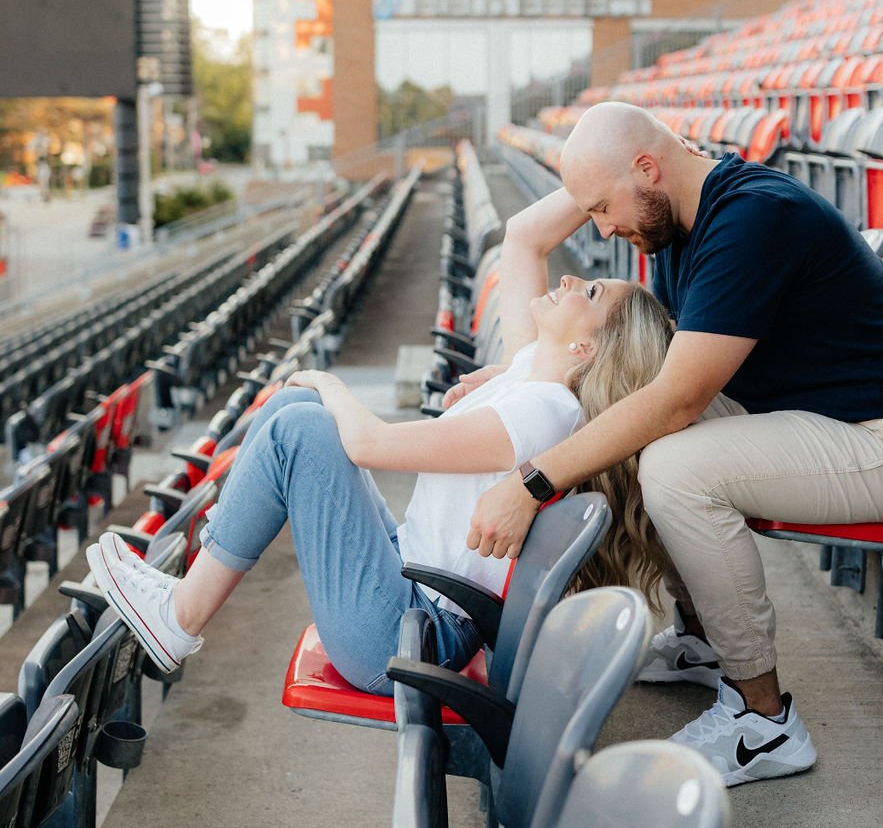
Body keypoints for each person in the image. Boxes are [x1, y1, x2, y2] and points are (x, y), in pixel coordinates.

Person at [462, 102, 883, 787]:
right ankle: (701, 640)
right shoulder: (678, 224)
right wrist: (525, 377)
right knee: (623, 414)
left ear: (648, 168)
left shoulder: (753, 217)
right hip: (819, 420)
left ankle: (765, 721)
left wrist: (532, 481)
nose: (603, 227)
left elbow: (680, 399)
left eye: (603, 207)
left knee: (675, 461)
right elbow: (649, 379)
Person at [86, 189, 672, 692]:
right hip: (408, 591)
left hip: (406, 635)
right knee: (295, 407)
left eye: (590, 293)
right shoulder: (529, 373)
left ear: (587, 350)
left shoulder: (543, 412)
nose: (571, 280)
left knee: (301, 419)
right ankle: (186, 591)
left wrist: (327, 380)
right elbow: (522, 238)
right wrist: (603, 180)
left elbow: (370, 445)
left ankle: (180, 617)